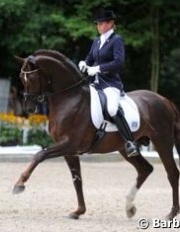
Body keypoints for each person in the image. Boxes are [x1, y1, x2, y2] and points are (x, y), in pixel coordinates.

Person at [78, 10, 138, 157]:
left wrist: (98, 68)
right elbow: (90, 58)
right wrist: (84, 64)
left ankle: (130, 142)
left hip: (111, 84)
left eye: (101, 23)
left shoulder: (116, 40)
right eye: (97, 23)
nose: (98, 26)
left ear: (110, 24)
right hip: (95, 84)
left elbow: (118, 62)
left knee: (111, 109)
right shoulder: (97, 41)